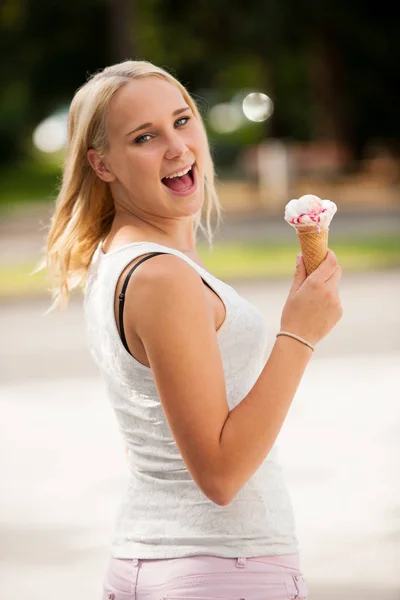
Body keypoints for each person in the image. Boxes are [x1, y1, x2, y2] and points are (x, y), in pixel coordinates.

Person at [43, 60, 343, 599]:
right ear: (102, 164)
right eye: (144, 136)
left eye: (182, 121)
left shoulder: (119, 260)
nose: (177, 146)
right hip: (222, 569)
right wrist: (300, 333)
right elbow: (222, 474)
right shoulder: (162, 277)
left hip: (163, 560)